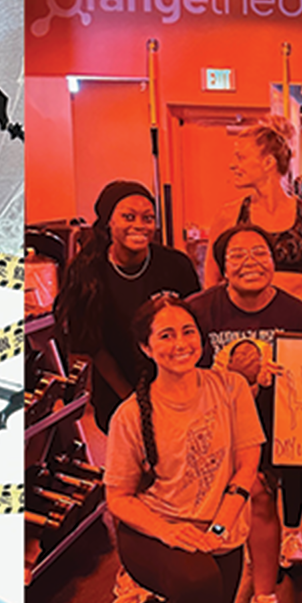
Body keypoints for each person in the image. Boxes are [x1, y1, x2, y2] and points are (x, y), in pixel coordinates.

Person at [103, 293, 263, 603]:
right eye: (166, 335)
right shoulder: (131, 415)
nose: (180, 343)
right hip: (153, 532)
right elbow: (118, 498)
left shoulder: (230, 387)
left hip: (219, 529)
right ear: (146, 347)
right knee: (198, 585)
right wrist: (169, 532)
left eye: (188, 331)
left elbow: (248, 460)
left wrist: (222, 525)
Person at [185, 224, 302, 603]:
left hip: (273, 426)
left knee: (261, 500)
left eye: (260, 253)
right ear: (221, 267)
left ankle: (264, 600)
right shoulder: (199, 311)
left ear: (274, 262)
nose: (250, 263)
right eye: (237, 255)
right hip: (211, 427)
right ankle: (217, 600)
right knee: (211, 511)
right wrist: (228, 377)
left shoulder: (294, 313)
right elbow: (180, 373)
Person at [60, 181, 201, 438]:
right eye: (128, 217)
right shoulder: (86, 272)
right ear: (109, 222)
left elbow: (196, 329)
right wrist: (133, 401)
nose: (140, 225)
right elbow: (94, 346)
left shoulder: (176, 265)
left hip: (177, 387)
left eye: (148, 218)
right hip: (118, 392)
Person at [212, 117, 302, 304]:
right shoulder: (229, 217)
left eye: (241, 157)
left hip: (296, 320)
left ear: (268, 162)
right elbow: (212, 282)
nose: (233, 165)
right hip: (242, 320)